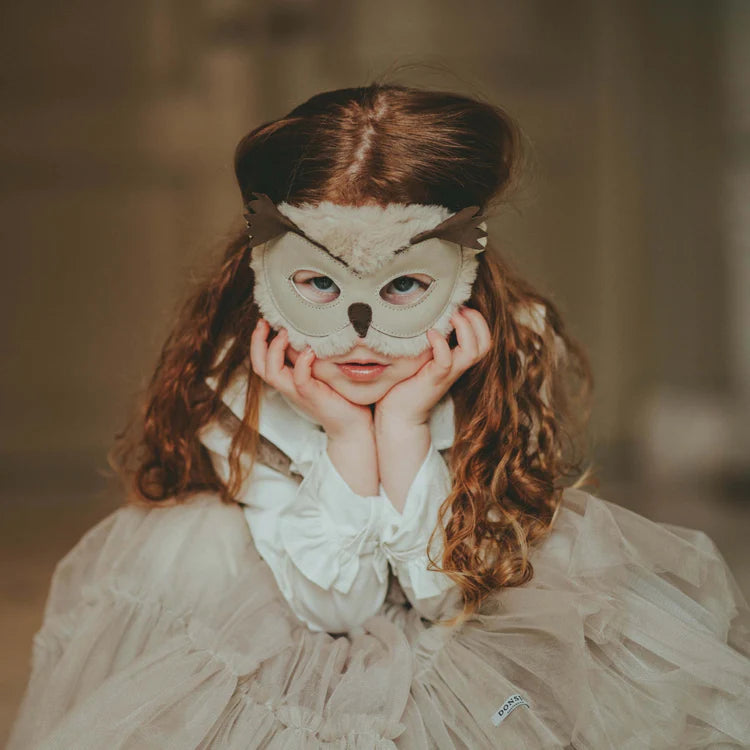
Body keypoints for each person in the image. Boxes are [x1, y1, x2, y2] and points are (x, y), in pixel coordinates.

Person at [8, 83, 750, 750]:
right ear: (266, 273)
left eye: (403, 288)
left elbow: (447, 596)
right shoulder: (246, 388)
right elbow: (337, 608)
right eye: (317, 284)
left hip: (456, 588)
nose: (359, 331)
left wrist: (403, 427)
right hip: (295, 599)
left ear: (461, 271)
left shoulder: (498, 352)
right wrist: (341, 432)